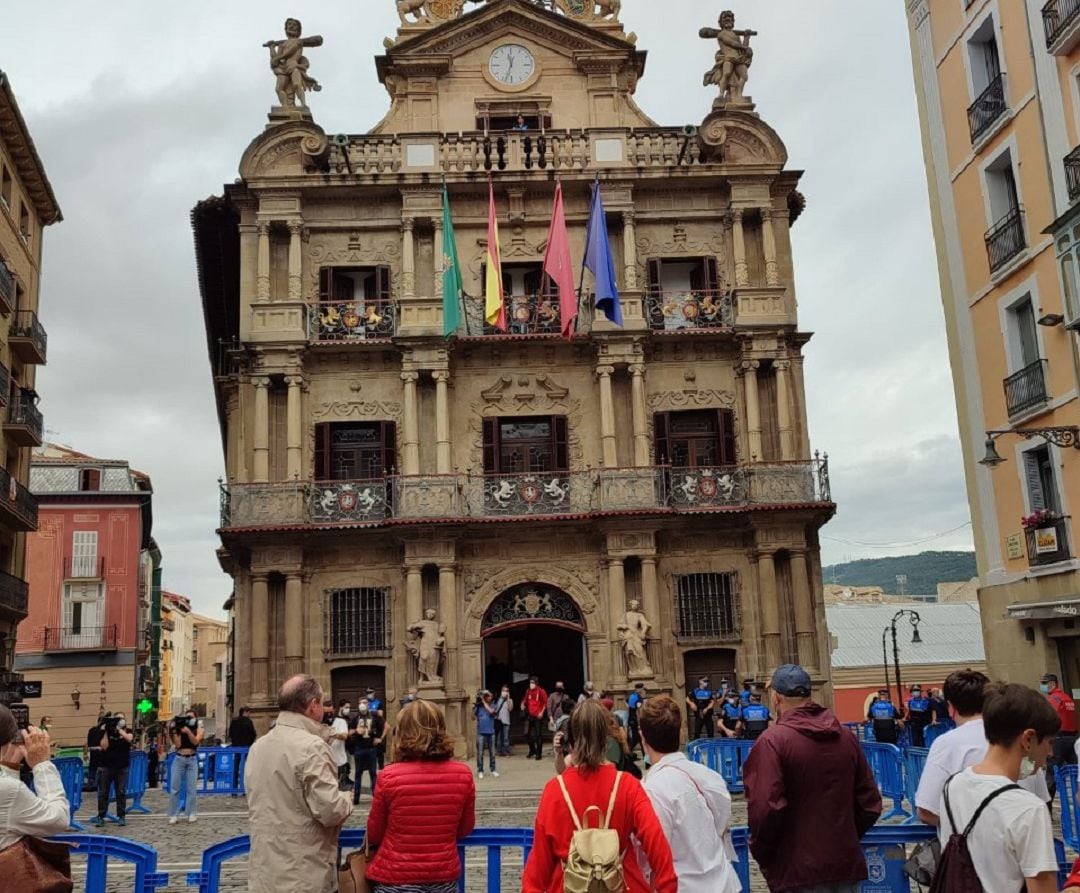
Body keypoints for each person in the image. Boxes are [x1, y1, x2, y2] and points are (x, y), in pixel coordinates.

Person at [743, 664, 882, 893]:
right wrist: (842, 835)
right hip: (844, 864)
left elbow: (765, 809)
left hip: (797, 869)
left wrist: (767, 853)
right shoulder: (846, 737)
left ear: (776, 698)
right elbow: (869, 802)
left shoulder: (772, 741)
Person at [522, 699, 678, 893]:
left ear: (570, 742)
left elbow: (537, 867)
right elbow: (657, 844)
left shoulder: (554, 791)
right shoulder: (628, 785)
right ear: (606, 740)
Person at [936, 683, 1059, 893]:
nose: (1049, 752)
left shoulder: (953, 785)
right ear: (1028, 739)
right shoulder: (1028, 808)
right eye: (1049, 742)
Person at [245, 674, 352, 893]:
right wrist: (346, 799)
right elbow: (330, 810)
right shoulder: (313, 746)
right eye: (321, 703)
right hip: (303, 873)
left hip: (264, 872)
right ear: (313, 706)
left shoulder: (258, 746)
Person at [915, 668, 1050, 826]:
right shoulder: (1017, 735)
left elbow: (927, 810)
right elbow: (1041, 799)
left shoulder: (947, 743)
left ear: (951, 707)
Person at [366, 700, 476, 892]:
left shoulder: (388, 776)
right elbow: (464, 828)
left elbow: (374, 833)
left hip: (396, 876)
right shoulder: (463, 774)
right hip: (442, 874)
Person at [638, 695, 741, 893]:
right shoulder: (710, 776)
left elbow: (653, 853)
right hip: (722, 882)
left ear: (643, 737)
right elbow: (721, 825)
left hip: (682, 886)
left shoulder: (650, 789)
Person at [0, 706, 70, 851]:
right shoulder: (8, 789)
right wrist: (42, 765)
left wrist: (9, 768)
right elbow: (57, 819)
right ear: (7, 742)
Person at [91, 711, 134, 827]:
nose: (118, 721)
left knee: (121, 792)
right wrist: (106, 730)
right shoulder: (106, 732)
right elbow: (104, 746)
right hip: (107, 766)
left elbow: (129, 739)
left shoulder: (128, 731)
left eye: (120, 719)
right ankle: (101, 816)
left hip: (122, 766)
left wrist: (119, 730)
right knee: (103, 793)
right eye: (116, 719)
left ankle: (121, 816)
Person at [1040, 671, 1077, 802]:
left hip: (1059, 740)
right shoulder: (1067, 698)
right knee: (1075, 774)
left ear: (1052, 684)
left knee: (1052, 774)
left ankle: (1047, 807)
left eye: (1044, 683)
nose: (1042, 686)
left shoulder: (1054, 699)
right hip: (1072, 739)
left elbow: (1049, 716)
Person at [167, 709, 204, 825]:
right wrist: (174, 731)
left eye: (191, 718)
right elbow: (177, 745)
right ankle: (173, 814)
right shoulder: (179, 727)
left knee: (191, 788)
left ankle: (191, 812)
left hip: (192, 758)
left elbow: (196, 742)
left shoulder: (198, 726)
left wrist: (188, 731)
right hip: (179, 757)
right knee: (175, 788)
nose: (189, 720)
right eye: (187, 718)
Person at [349, 697, 383, 803]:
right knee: (358, 774)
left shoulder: (374, 715)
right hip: (359, 748)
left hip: (371, 748)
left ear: (368, 704)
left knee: (373, 773)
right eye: (360, 703)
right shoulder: (354, 717)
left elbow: (384, 726)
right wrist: (356, 730)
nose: (362, 704)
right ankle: (356, 798)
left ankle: (375, 797)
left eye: (364, 702)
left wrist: (380, 738)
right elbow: (349, 731)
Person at [523, 676, 548, 761]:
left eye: (533, 683)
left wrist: (541, 712)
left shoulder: (541, 691)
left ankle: (539, 753)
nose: (531, 684)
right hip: (530, 715)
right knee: (526, 733)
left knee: (538, 735)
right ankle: (532, 750)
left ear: (536, 683)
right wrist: (522, 704)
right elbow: (525, 700)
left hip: (538, 716)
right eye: (530, 682)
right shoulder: (528, 691)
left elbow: (545, 703)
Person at [474, 690, 498, 779]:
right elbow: (472, 717)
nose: (488, 697)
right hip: (481, 732)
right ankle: (480, 770)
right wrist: (476, 704)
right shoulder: (479, 707)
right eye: (486, 695)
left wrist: (484, 703)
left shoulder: (494, 705)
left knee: (492, 753)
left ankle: (493, 769)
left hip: (491, 732)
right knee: (480, 753)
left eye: (489, 695)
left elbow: (492, 712)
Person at [328, 700, 350, 790]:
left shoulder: (341, 722)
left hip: (339, 761)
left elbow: (344, 736)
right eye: (325, 712)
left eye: (330, 712)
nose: (328, 714)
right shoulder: (319, 723)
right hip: (326, 761)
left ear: (334, 710)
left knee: (340, 788)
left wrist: (331, 733)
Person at [906, 684, 932, 748]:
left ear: (920, 691)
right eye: (914, 690)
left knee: (924, 741)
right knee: (915, 742)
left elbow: (929, 712)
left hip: (924, 723)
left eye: (917, 690)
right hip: (914, 724)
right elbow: (909, 711)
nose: (916, 692)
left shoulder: (925, 700)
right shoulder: (910, 701)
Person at [86, 714, 106, 792]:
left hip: (92, 751)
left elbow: (88, 742)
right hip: (101, 751)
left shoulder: (91, 730)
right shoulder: (103, 731)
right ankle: (99, 783)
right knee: (101, 768)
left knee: (92, 767)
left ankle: (91, 782)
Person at [494, 685, 513, 757]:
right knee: (499, 737)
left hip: (506, 721)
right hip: (499, 721)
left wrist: (508, 698)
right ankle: (499, 751)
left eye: (506, 691)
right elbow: (495, 710)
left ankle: (506, 751)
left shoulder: (510, 700)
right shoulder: (497, 700)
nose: (505, 692)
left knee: (506, 738)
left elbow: (510, 709)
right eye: (503, 690)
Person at [626, 683, 646, 753]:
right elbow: (639, 711)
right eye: (643, 689)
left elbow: (629, 708)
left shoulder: (630, 696)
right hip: (636, 722)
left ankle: (627, 754)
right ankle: (626, 754)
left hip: (631, 720)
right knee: (638, 740)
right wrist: (639, 724)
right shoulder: (639, 698)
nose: (644, 691)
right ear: (640, 689)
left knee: (637, 740)